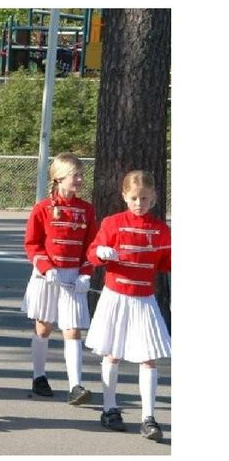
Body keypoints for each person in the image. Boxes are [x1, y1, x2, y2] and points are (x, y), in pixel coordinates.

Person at [85, 170, 171, 441]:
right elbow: (93, 251)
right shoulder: (112, 223)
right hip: (116, 297)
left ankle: (149, 416)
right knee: (112, 353)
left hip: (144, 299)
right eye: (134, 198)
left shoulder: (161, 229)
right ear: (124, 196)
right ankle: (109, 408)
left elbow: (167, 263)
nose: (139, 203)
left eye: (144, 198)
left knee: (148, 358)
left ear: (154, 197)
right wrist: (100, 252)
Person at [22, 153, 98, 404]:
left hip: (73, 277)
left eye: (80, 175)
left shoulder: (86, 209)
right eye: (74, 175)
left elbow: (91, 246)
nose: (79, 179)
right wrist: (46, 267)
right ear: (58, 177)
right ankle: (39, 376)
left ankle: (76, 385)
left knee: (73, 330)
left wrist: (86, 273)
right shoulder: (42, 208)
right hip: (47, 276)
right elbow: (32, 244)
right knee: (44, 326)